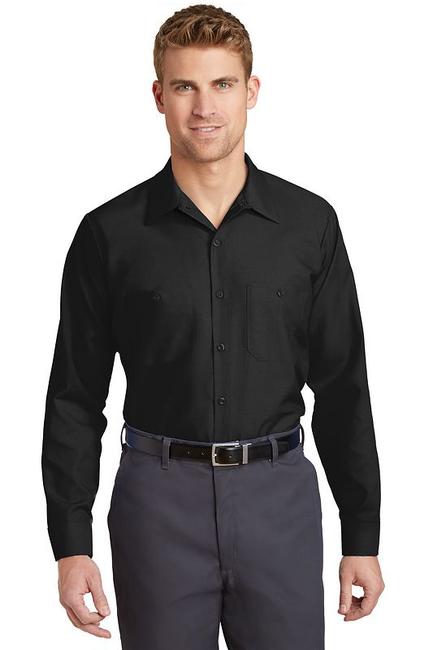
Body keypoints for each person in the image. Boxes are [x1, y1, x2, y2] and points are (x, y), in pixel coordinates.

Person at [41, 4, 385, 648]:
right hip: (156, 506)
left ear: (251, 91)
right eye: (185, 86)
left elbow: (343, 386)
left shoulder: (310, 225)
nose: (204, 107)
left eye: (222, 84)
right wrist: (71, 544)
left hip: (278, 500)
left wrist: (361, 534)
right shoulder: (109, 234)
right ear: (159, 96)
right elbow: (74, 397)